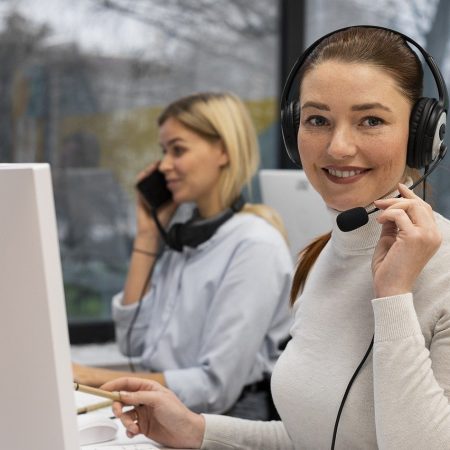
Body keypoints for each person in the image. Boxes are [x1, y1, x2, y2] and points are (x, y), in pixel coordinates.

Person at [100, 26, 450, 449]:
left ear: (422, 136)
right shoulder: (323, 257)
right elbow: (313, 436)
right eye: (317, 120)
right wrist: (196, 430)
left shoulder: (443, 273)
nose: (337, 147)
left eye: (370, 120)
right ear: (292, 130)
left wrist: (394, 296)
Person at [73, 91, 293, 419]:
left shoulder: (255, 245)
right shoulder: (184, 239)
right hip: (168, 412)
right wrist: (148, 235)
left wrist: (94, 377)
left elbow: (213, 388)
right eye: (163, 152)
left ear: (223, 150)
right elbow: (132, 343)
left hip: (226, 421)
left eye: (178, 150)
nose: (163, 166)